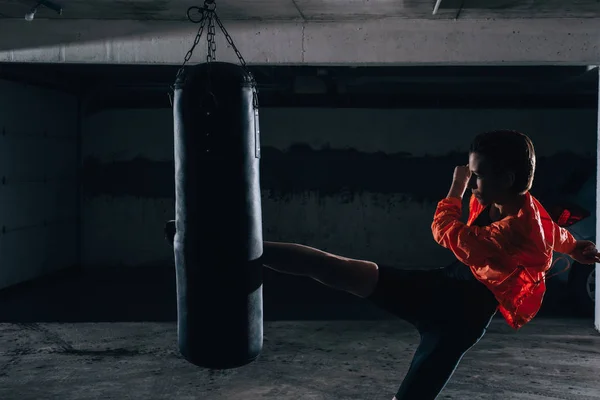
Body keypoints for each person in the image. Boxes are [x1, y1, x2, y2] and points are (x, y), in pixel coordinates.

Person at [164, 130, 600, 400]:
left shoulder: (514, 228)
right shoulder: (523, 205)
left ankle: (212, 244)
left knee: (408, 391)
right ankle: (217, 244)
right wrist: (574, 246)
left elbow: (451, 235)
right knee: (336, 268)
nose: (474, 182)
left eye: (480, 175)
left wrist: (455, 186)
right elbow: (551, 232)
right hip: (447, 291)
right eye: (472, 174)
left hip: (457, 314)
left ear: (505, 177)